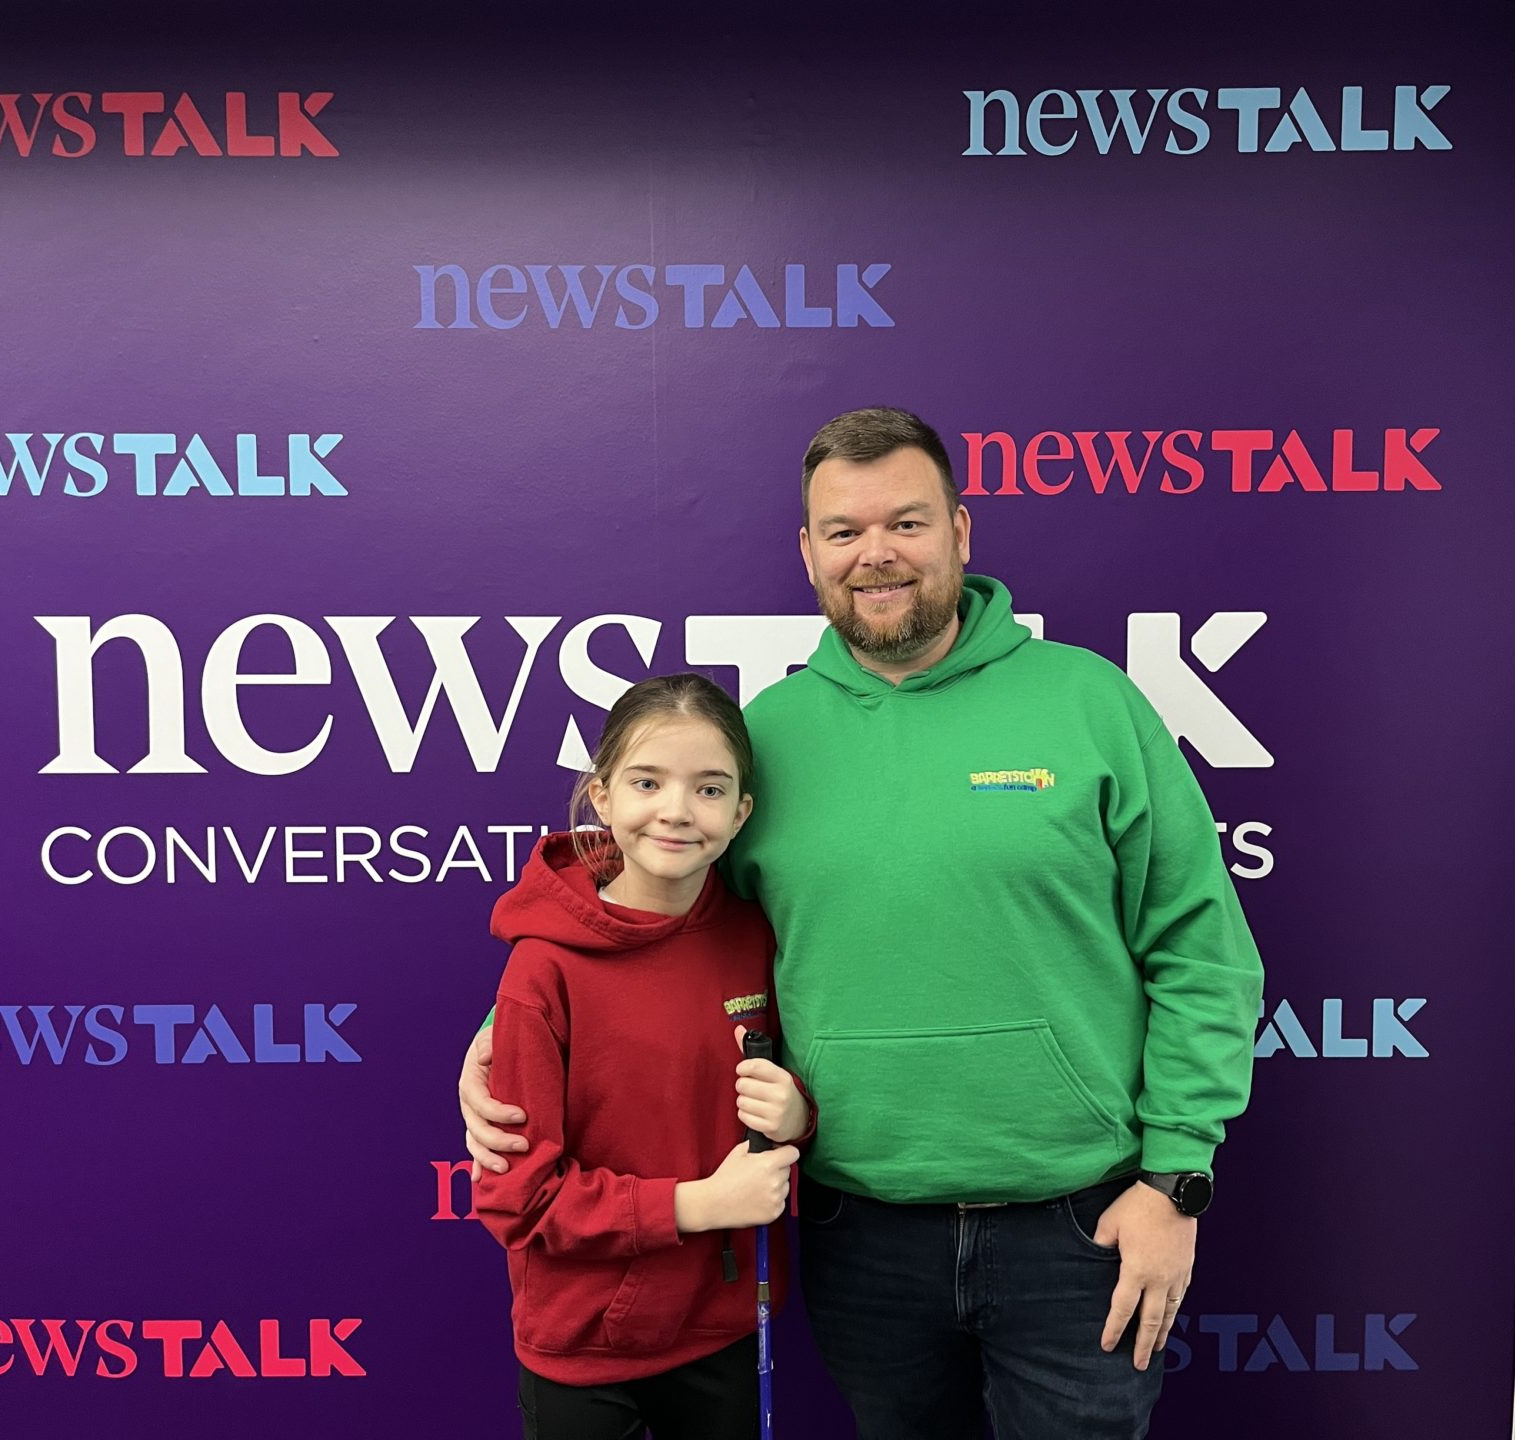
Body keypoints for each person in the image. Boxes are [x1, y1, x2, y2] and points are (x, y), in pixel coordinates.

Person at [464, 408, 1263, 1439]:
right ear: (808, 552)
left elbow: (1203, 952)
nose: (875, 554)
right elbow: (648, 925)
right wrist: (503, 1041)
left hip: (1083, 1227)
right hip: (860, 1232)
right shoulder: (765, 743)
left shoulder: (1091, 704)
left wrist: (1177, 1179)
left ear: (962, 531)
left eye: (907, 523)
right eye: (843, 531)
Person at [473, 673, 815, 1440]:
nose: (676, 811)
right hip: (586, 1346)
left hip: (722, 1328)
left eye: (709, 788)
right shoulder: (542, 969)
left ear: (741, 813)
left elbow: (794, 1114)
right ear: (601, 795)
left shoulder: (758, 939)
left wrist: (798, 1117)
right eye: (648, 781)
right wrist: (697, 1206)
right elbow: (516, 1200)